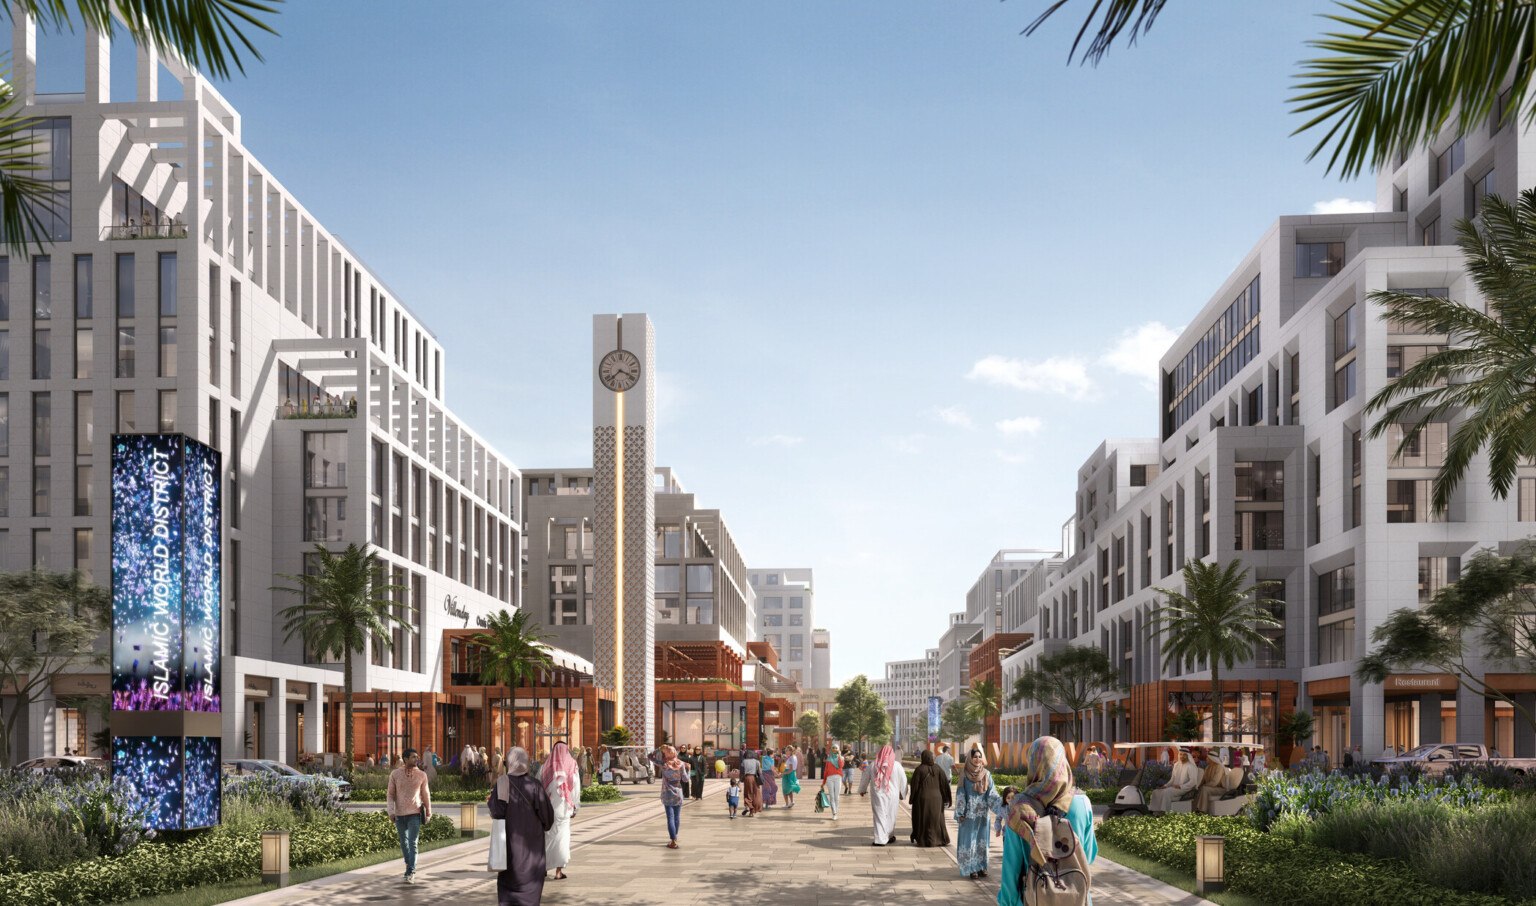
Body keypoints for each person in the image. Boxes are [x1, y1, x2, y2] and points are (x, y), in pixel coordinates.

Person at [997, 737, 1097, 906]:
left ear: (1033, 765)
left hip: (1033, 897)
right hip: (1076, 897)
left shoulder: (1019, 807)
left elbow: (1011, 868)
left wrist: (1007, 902)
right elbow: (1088, 854)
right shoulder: (1082, 803)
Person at [489, 748, 554, 906]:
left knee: (508, 889)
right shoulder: (535, 785)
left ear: (509, 762)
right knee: (531, 890)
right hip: (532, 848)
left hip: (509, 849)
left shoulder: (503, 783)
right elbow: (548, 818)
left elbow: (497, 812)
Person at [386, 748, 433, 884]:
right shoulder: (395, 774)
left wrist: (428, 813)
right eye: (413, 757)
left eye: (417, 757)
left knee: (413, 843)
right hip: (400, 815)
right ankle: (408, 865)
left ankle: (411, 870)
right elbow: (390, 794)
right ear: (405, 759)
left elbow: (426, 795)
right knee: (404, 844)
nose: (416, 759)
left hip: (415, 814)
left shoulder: (422, 775)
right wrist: (391, 812)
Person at [956, 749, 1002, 878]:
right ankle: (971, 868)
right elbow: (961, 793)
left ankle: (981, 866)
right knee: (969, 840)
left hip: (983, 814)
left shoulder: (987, 774)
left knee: (982, 840)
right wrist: (960, 811)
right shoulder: (964, 775)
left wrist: (1003, 805)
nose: (977, 759)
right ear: (970, 759)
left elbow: (992, 793)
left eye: (979, 757)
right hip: (969, 814)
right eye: (975, 757)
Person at [541, 741, 579, 881]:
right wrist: (575, 806)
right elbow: (575, 788)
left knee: (547, 838)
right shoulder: (572, 765)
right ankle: (558, 872)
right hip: (563, 809)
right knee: (562, 838)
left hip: (547, 810)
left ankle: (544, 868)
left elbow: (539, 787)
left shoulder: (545, 767)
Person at [858, 743, 908, 845]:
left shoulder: (873, 765)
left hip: (878, 794)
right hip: (893, 795)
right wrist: (903, 793)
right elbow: (904, 781)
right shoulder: (897, 766)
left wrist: (862, 790)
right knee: (891, 815)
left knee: (879, 815)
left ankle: (880, 839)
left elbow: (865, 778)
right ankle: (889, 836)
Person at [909, 749, 952, 846]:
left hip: (922, 799)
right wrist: (947, 798)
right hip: (937, 798)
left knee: (924, 819)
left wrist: (912, 799)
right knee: (937, 819)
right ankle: (939, 839)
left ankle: (925, 840)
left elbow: (914, 786)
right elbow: (945, 785)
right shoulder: (938, 769)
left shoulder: (919, 770)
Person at [1149, 749, 1199, 813]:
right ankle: (1154, 811)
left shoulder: (1191, 766)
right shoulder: (1176, 765)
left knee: (1166, 792)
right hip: (1174, 787)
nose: (1182, 756)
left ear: (1187, 756)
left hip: (1184, 789)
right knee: (1156, 792)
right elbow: (1172, 779)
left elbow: (1193, 782)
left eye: (1184, 755)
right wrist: (1165, 786)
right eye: (1181, 754)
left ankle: (1164, 811)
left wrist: (1181, 786)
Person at [659, 745, 688, 848]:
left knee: (670, 817)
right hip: (678, 794)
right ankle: (675, 837)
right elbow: (685, 780)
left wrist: (660, 748)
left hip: (667, 793)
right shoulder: (681, 764)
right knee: (676, 817)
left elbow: (650, 756)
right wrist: (688, 771)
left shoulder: (664, 764)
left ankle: (673, 841)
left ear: (667, 753)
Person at [820, 744, 846, 820]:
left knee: (836, 796)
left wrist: (839, 755)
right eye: (833, 748)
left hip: (838, 778)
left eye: (836, 748)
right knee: (831, 796)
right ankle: (834, 813)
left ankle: (836, 812)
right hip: (829, 778)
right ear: (831, 749)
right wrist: (823, 782)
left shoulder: (841, 758)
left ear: (838, 749)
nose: (834, 749)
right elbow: (826, 771)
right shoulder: (828, 760)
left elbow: (841, 766)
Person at [740, 749, 763, 816]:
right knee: (756, 794)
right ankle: (751, 813)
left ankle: (747, 806)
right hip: (755, 778)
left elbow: (742, 772)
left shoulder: (744, 762)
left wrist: (739, 780)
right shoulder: (757, 761)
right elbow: (760, 772)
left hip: (747, 778)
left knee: (747, 793)